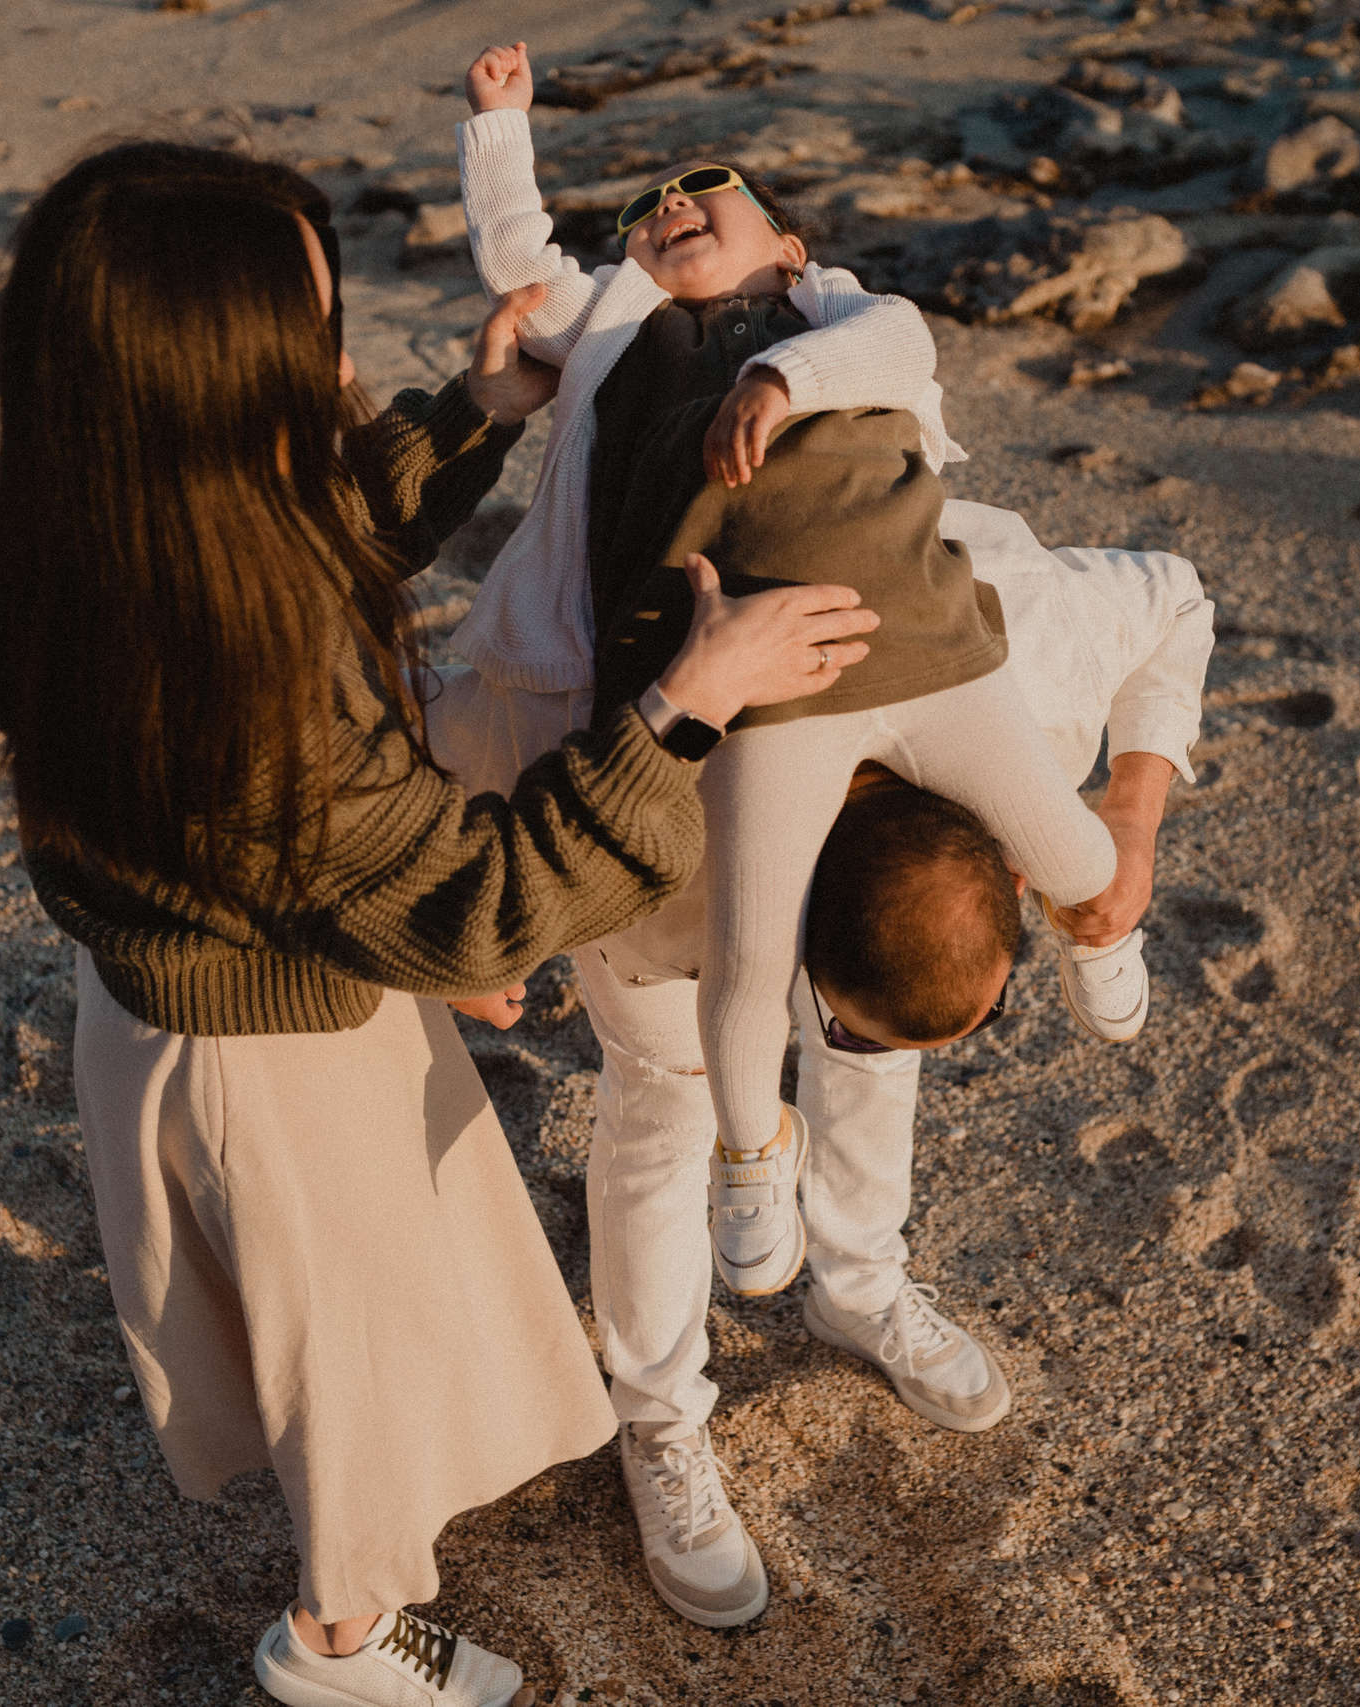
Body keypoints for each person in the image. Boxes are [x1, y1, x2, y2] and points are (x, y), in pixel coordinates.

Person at [0, 142, 879, 1707]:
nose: (340, 365)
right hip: (266, 1065)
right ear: (207, 385)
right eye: (311, 345)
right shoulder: (249, 674)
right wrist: (683, 706)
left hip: (178, 984)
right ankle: (338, 1635)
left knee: (330, 1323)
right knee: (360, 1359)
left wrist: (474, 415)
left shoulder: (92, 522)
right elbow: (482, 909)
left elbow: (305, 535)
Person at [421, 502, 1212, 1630]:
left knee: (879, 1050)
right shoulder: (642, 846)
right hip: (667, 778)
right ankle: (656, 1413)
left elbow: (1175, 595)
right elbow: (433, 742)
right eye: (828, 1016)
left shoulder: (1030, 657)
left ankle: (862, 1285)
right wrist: (451, 951)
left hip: (874, 581)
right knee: (662, 1119)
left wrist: (1127, 819)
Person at [448, 42, 1149, 1282]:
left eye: (703, 186)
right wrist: (500, 126)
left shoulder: (831, 311)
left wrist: (781, 375)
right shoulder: (617, 329)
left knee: (1076, 854)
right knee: (749, 955)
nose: (666, 209)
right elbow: (520, 269)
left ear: (784, 244)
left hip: (925, 643)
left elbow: (908, 345)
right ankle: (748, 1158)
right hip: (761, 685)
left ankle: (1100, 944)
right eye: (643, 216)